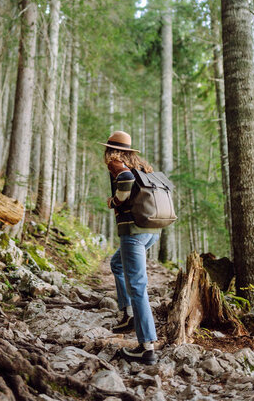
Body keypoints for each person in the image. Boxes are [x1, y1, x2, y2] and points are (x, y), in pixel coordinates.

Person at [99, 130, 161, 365]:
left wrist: (115, 200)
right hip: (151, 231)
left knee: (138, 286)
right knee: (117, 264)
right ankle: (128, 315)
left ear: (110, 149)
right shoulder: (141, 165)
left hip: (134, 233)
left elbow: (125, 180)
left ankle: (146, 348)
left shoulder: (117, 164)